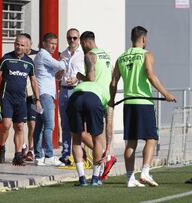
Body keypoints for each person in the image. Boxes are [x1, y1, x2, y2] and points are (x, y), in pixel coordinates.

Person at [109, 26, 176, 187]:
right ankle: (145, 172)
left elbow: (113, 82)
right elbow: (149, 73)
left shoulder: (122, 57)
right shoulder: (147, 54)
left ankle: (130, 178)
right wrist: (165, 93)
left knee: (131, 142)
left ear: (132, 38)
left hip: (129, 103)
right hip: (144, 102)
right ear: (144, 39)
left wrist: (111, 100)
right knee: (151, 138)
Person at [68, 31, 113, 186]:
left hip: (77, 95)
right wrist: (108, 147)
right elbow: (111, 79)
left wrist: (80, 76)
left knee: (76, 138)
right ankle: (95, 178)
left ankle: (82, 179)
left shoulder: (89, 55)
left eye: (81, 43)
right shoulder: (107, 56)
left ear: (86, 42)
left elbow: (91, 78)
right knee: (97, 138)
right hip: (98, 98)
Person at [0, 34, 41, 166]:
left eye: (21, 45)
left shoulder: (29, 62)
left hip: (21, 100)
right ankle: (2, 146)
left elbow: (33, 81)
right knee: (6, 124)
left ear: (27, 47)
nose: (18, 47)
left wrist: (37, 99)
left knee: (19, 127)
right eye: (17, 44)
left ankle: (18, 155)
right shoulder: (6, 59)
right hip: (6, 97)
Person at [33, 32, 66, 166]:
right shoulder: (43, 55)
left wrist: (60, 68)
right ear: (44, 43)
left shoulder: (45, 57)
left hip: (45, 93)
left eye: (55, 44)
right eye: (51, 44)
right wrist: (63, 60)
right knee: (49, 125)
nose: (53, 47)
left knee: (40, 126)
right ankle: (49, 155)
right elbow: (61, 66)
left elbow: (56, 75)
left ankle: (39, 156)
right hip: (45, 94)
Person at [58, 28, 84, 165]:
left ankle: (80, 154)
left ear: (78, 39)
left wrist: (76, 79)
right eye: (69, 38)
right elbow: (56, 76)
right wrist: (61, 69)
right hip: (63, 90)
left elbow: (88, 76)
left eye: (74, 38)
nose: (72, 40)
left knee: (79, 123)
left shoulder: (83, 54)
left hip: (77, 89)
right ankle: (66, 154)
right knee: (65, 123)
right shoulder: (63, 54)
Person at [20, 33, 38, 161]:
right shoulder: (15, 56)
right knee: (20, 124)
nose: (23, 47)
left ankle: (31, 149)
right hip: (19, 94)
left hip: (32, 94)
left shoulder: (37, 56)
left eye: (25, 44)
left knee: (32, 123)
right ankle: (22, 147)